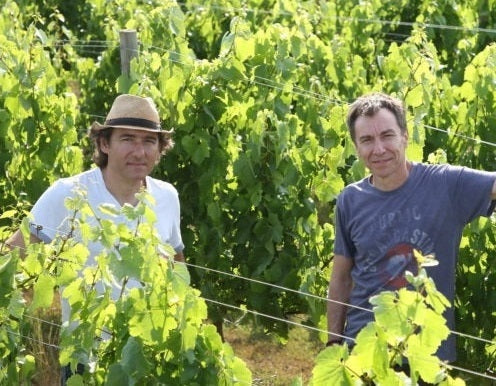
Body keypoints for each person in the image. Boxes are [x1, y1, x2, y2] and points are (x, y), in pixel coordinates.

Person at [4, 93, 185, 383]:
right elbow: (14, 253)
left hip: (149, 355)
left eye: (149, 141)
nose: (139, 152)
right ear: (104, 144)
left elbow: (177, 261)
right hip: (85, 359)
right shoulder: (68, 194)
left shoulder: (167, 197)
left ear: (160, 148)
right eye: (127, 139)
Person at [326, 92, 496, 364]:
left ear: (405, 136)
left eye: (387, 135)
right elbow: (341, 279)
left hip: (425, 356)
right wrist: (334, 341)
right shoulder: (350, 199)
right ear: (356, 147)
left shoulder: (446, 185)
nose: (379, 149)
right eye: (367, 140)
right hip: (364, 353)